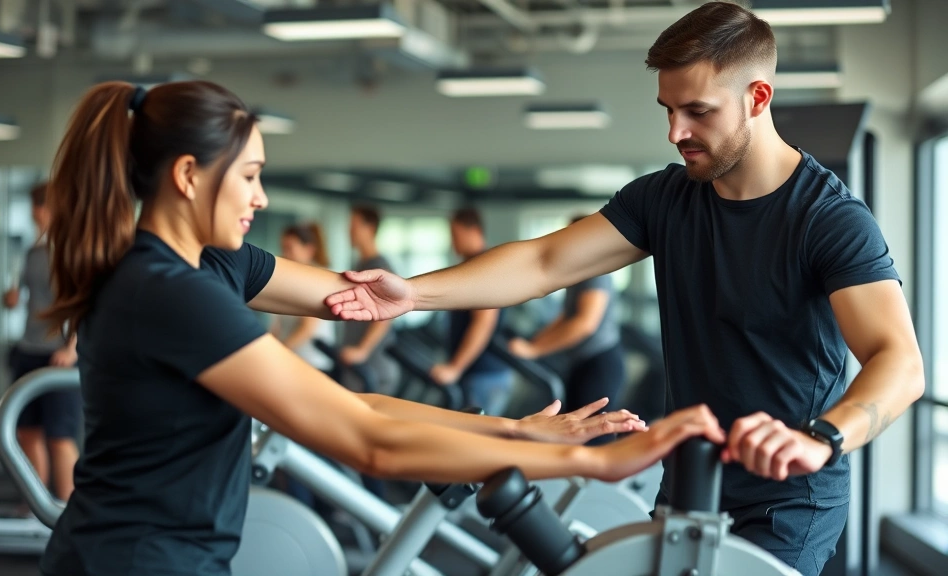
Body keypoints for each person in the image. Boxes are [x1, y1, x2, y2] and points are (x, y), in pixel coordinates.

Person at [325, 3, 925, 575]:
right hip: (689, 477)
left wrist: (822, 438)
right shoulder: (665, 198)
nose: (674, 131)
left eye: (696, 111)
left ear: (758, 97)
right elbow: (543, 261)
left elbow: (898, 359)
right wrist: (414, 294)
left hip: (789, 500)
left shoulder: (828, 218)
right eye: (667, 110)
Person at [36, 79, 721, 576]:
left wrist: (509, 430)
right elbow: (370, 443)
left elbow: (357, 360)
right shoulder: (167, 293)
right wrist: (590, 463)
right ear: (188, 176)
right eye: (249, 177)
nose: (261, 197)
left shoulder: (215, 268)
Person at [509, 214, 627, 444]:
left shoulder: (595, 269)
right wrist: (533, 343)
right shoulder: (580, 271)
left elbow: (584, 324)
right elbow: (565, 317)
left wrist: (534, 350)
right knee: (573, 436)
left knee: (591, 441)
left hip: (599, 363)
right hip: (583, 363)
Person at [3, 181, 81, 503]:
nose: (38, 215)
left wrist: (71, 348)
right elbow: (17, 298)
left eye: (43, 208)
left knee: (60, 437)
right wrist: (9, 298)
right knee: (26, 432)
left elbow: (81, 304)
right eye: (36, 208)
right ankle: (35, 503)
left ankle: (68, 508)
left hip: (57, 357)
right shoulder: (32, 253)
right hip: (28, 350)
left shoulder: (69, 254)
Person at [432, 207, 513, 416]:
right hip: (479, 373)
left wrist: (454, 368)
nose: (453, 243)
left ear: (473, 231)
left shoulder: (483, 267)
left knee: (477, 440)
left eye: (455, 235)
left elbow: (483, 322)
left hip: (484, 375)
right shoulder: (473, 266)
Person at [338, 204, 400, 394]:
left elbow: (386, 317)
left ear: (370, 228)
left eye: (355, 226)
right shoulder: (359, 264)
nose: (350, 231)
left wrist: (362, 351)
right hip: (356, 366)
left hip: (374, 367)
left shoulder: (379, 267)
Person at [269, 222, 335, 372]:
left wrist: (279, 350)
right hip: (291, 360)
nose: (285, 254)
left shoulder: (315, 279)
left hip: (312, 362)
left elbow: (307, 328)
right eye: (283, 248)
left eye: (290, 248)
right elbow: (277, 326)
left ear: (309, 250)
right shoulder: (287, 280)